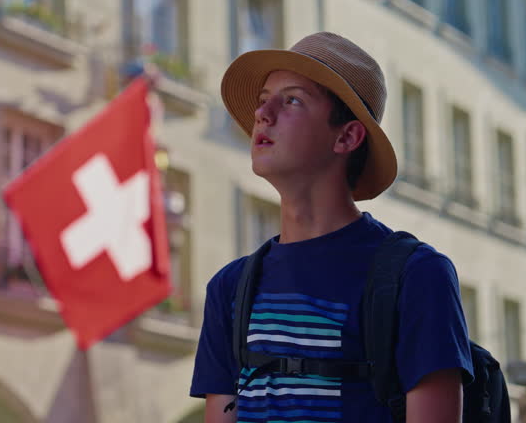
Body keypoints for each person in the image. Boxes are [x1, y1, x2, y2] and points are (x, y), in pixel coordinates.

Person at [189, 32, 474, 423]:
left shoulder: (416, 275)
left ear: (348, 136)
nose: (263, 114)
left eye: (291, 99)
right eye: (262, 99)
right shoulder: (230, 287)